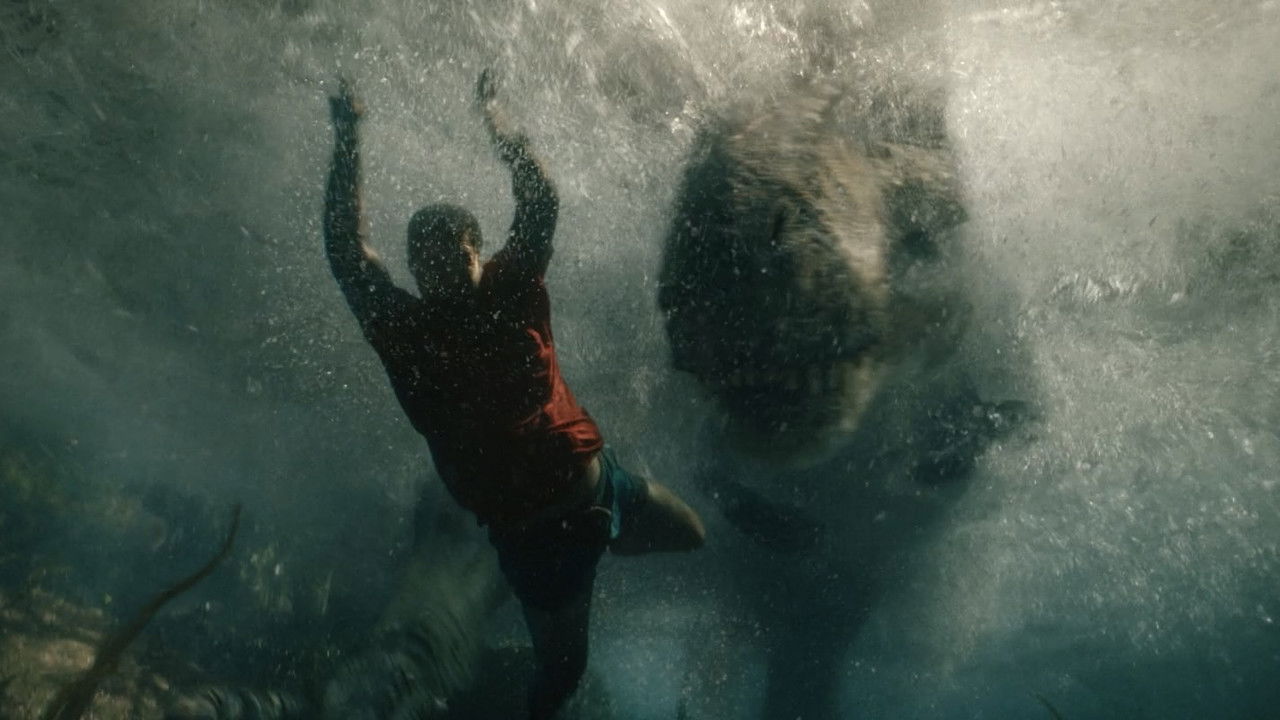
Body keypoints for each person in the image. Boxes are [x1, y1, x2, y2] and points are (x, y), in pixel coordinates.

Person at [323, 72, 706, 719]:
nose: (435, 269)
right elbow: (345, 249)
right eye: (422, 261)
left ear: (477, 250)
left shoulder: (512, 285)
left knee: (693, 534)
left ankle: (604, 535)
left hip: (601, 485)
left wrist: (498, 120)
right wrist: (348, 136)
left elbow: (541, 199)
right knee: (563, 673)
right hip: (540, 542)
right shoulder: (404, 332)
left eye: (449, 254)